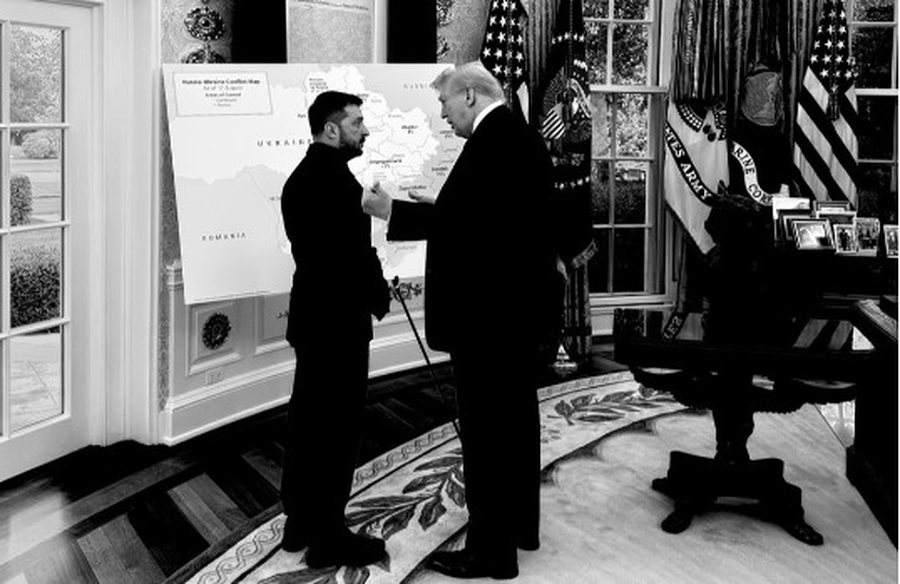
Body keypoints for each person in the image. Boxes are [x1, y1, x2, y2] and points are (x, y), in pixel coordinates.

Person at [362, 62, 562, 580]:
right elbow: (491, 220)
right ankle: (518, 530)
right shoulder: (514, 136)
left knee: (488, 437)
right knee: (514, 429)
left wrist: (392, 212)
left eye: (445, 103)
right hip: (513, 318)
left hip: (489, 323)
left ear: (470, 95)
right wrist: (444, 204)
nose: (443, 115)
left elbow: (475, 229)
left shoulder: (494, 141)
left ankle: (490, 554)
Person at [280, 90, 391, 568]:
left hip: (312, 319)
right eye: (356, 122)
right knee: (337, 431)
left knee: (308, 421)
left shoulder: (299, 179)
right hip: (340, 325)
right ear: (331, 129)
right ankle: (328, 538)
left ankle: (299, 523)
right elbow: (351, 258)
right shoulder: (340, 185)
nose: (364, 130)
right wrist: (380, 294)